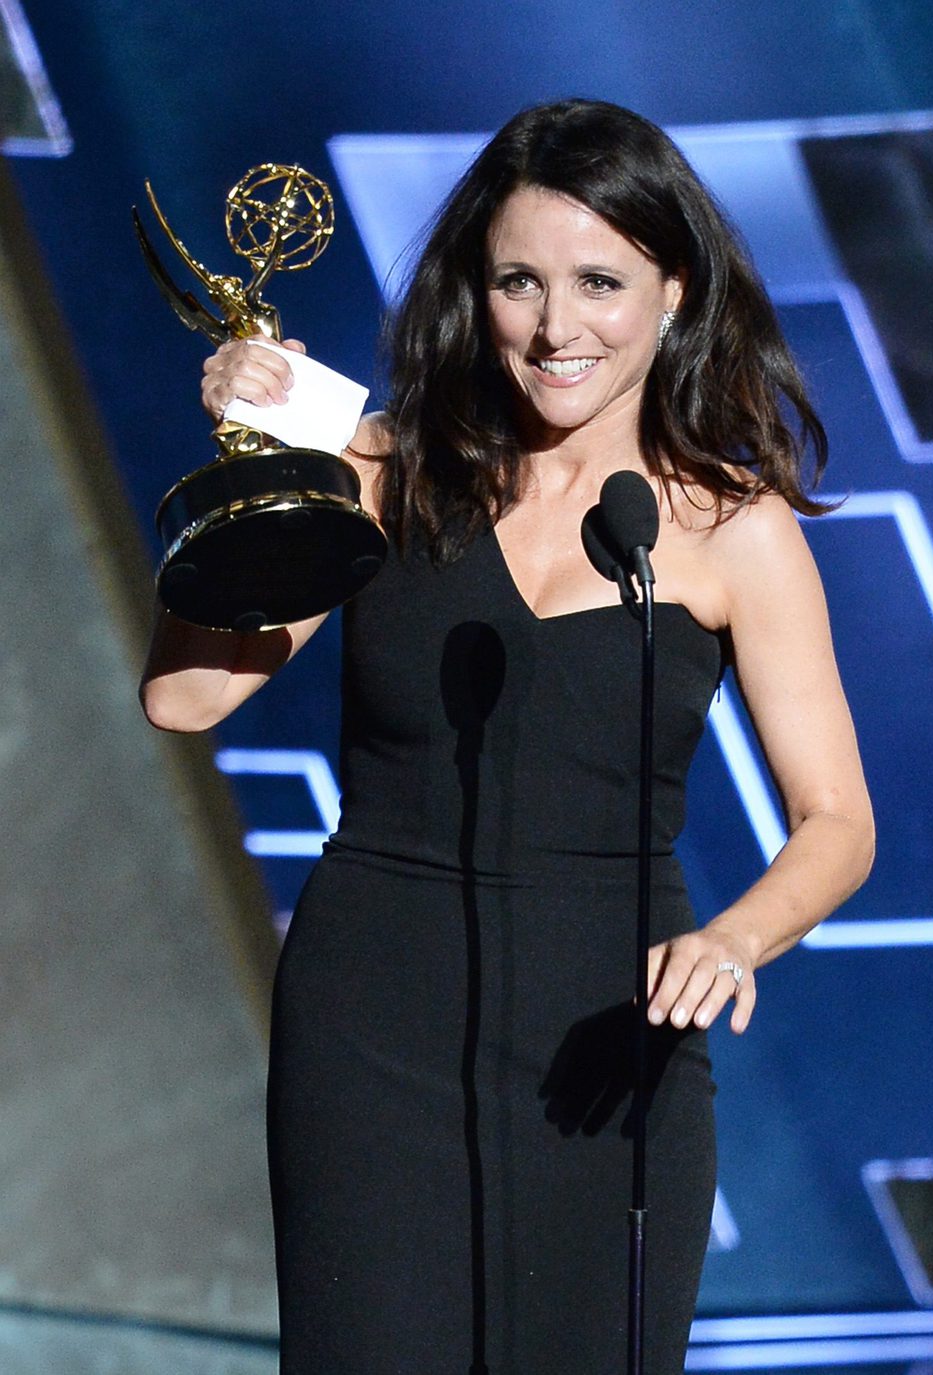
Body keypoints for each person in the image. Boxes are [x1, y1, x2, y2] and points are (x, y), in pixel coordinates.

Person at [140, 99, 874, 1375]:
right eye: (518, 281)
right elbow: (184, 698)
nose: (556, 326)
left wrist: (733, 939)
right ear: (474, 292)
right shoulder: (379, 467)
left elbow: (839, 822)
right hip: (375, 1027)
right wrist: (266, 473)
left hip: (609, 1039)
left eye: (599, 282)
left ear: (674, 290)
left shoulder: (730, 529)